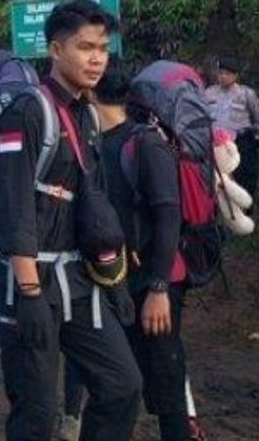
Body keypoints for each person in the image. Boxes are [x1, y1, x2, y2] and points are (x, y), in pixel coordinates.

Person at [0, 0, 141, 441]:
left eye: (103, 48)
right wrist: (30, 293)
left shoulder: (88, 116)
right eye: (84, 47)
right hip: (29, 281)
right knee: (36, 415)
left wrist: (113, 281)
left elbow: (91, 204)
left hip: (78, 280)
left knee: (122, 386)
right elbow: (14, 206)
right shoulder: (27, 112)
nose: (97, 58)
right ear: (56, 50)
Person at [94, 60, 195, 441]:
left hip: (156, 282)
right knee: (124, 378)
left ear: (91, 92)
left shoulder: (145, 142)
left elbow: (169, 215)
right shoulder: (95, 146)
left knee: (166, 378)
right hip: (118, 281)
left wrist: (158, 288)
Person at [204, 57, 259, 206]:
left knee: (244, 181)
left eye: (227, 73)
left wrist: (254, 139)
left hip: (240, 144)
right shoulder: (209, 93)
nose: (223, 76)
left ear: (235, 75)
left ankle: (244, 213)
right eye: (220, 73)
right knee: (216, 182)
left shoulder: (246, 94)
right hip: (216, 146)